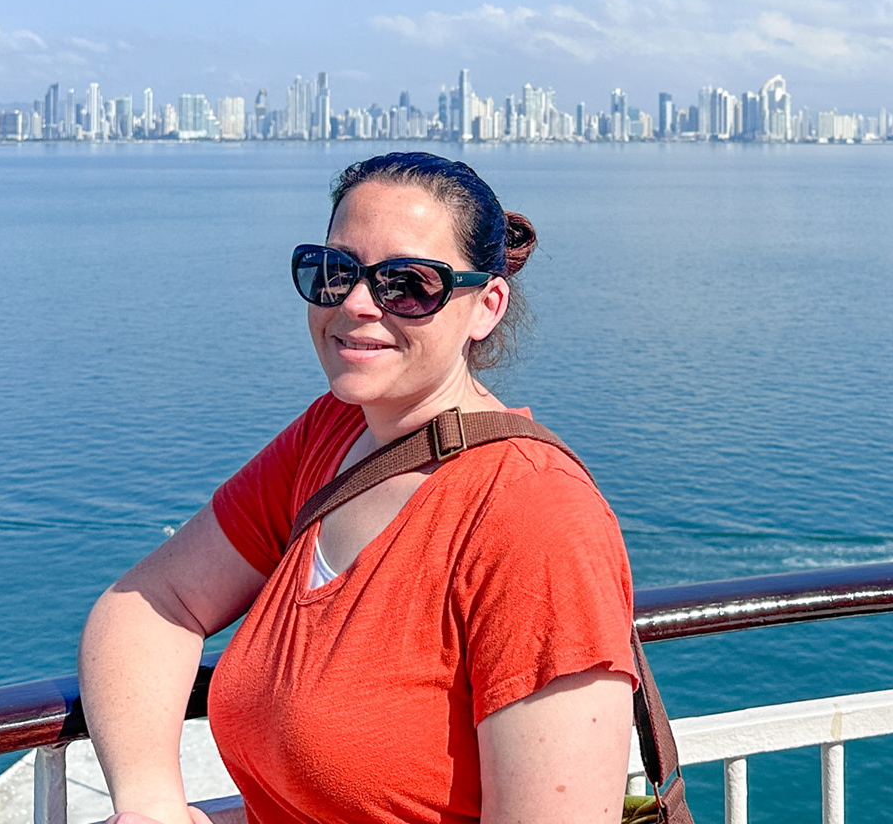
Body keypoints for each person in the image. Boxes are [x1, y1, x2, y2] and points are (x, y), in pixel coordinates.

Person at [79, 151, 638, 824]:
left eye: (407, 283)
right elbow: (153, 601)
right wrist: (149, 803)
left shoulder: (533, 516)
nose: (355, 305)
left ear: (486, 306)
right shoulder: (333, 437)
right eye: (336, 271)